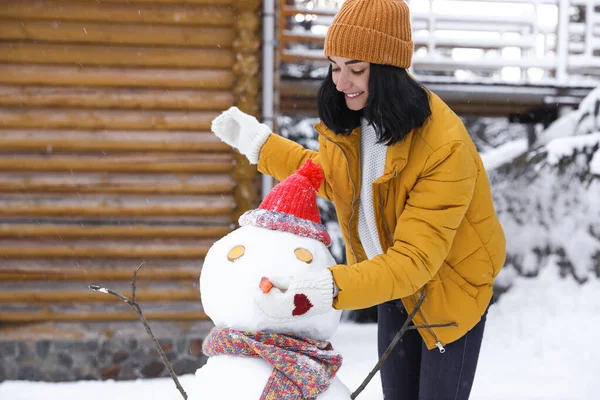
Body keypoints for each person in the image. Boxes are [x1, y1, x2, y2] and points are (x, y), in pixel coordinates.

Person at [210, 0, 506, 398]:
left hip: (451, 290)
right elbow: (336, 178)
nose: (340, 81)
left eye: (356, 68)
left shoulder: (443, 145)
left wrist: (323, 289)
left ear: (388, 70)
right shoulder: (353, 121)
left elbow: (416, 260)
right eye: (334, 66)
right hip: (390, 283)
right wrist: (260, 145)